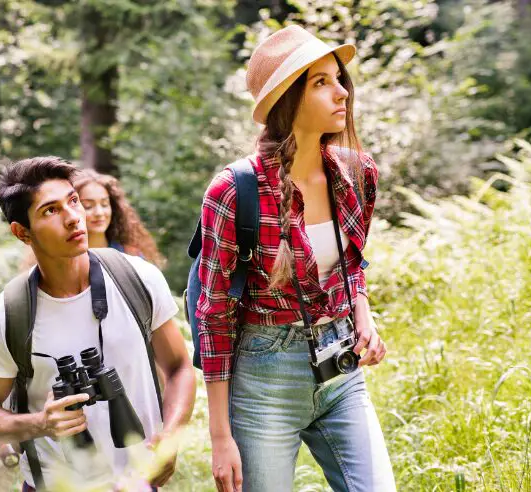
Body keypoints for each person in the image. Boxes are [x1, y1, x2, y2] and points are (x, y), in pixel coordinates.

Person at [198, 25, 395, 491]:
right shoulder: (234, 190)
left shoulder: (357, 172)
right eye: (320, 82)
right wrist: (219, 435)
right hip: (264, 379)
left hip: (341, 368)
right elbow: (214, 314)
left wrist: (363, 314)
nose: (341, 92)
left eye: (339, 78)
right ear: (288, 98)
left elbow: (351, 264)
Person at [0, 157, 196, 490]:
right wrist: (41, 423)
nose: (74, 218)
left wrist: (170, 437)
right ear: (21, 232)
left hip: (137, 482)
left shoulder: (138, 278)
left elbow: (179, 368)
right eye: (50, 210)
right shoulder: (9, 315)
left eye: (73, 201)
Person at [73, 169, 166, 267]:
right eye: (88, 206)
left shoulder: (131, 255)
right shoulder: (65, 258)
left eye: (104, 204)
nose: (99, 213)